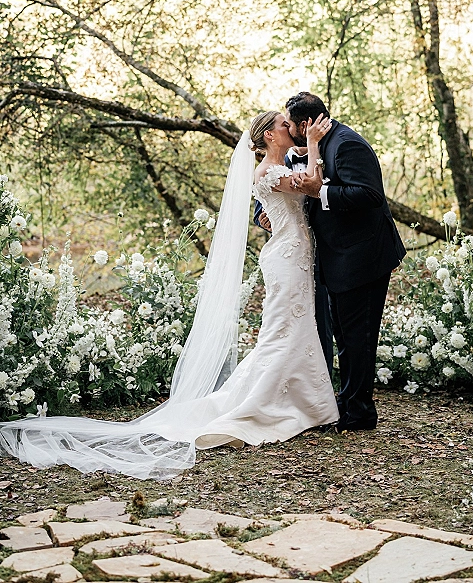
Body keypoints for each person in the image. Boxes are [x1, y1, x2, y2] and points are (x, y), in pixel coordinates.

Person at [0, 112, 338, 480]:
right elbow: (313, 184)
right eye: (285, 125)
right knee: (281, 331)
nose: (292, 129)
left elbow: (282, 202)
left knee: (293, 328)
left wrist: (304, 154)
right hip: (287, 258)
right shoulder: (269, 172)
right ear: (270, 136)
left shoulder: (278, 166)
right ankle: (268, 406)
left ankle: (299, 403)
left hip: (295, 253)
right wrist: (317, 143)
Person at [285, 92, 406, 432]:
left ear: (305, 124)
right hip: (340, 254)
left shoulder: (347, 144)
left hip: (363, 256)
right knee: (345, 334)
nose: (291, 130)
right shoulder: (323, 143)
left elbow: (369, 195)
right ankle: (348, 402)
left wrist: (318, 193)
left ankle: (359, 414)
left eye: (292, 124)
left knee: (358, 336)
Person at [253, 144, 334, 377]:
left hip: (316, 249)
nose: (288, 128)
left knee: (315, 323)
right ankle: (276, 385)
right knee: (286, 321)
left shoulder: (329, 150)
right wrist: (263, 218)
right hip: (289, 251)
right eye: (283, 124)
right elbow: (264, 207)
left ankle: (316, 386)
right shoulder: (272, 168)